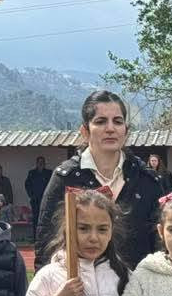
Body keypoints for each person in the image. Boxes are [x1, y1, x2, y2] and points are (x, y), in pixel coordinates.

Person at [36, 90, 162, 270]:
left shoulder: (146, 180)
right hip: (81, 285)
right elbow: (46, 244)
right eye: (101, 121)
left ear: (126, 131)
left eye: (117, 121)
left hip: (137, 284)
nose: (110, 128)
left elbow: (161, 244)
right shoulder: (65, 179)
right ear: (85, 131)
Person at [25, 156, 52, 237]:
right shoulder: (32, 173)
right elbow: (27, 185)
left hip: (46, 200)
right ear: (36, 163)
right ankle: (35, 237)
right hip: (35, 200)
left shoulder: (49, 173)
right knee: (36, 219)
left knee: (46, 219)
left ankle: (45, 237)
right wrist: (31, 195)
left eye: (42, 162)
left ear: (44, 163)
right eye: (39, 162)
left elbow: (52, 186)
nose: (40, 164)